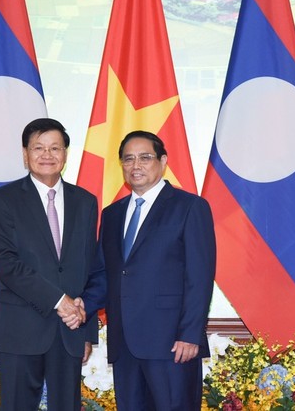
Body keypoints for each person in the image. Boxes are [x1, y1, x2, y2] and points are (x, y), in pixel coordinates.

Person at [81, 130, 216, 411]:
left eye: (145, 157)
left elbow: (200, 277)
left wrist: (190, 334)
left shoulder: (190, 207)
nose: (136, 165)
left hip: (172, 344)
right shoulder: (112, 214)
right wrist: (80, 308)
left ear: (163, 161)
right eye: (128, 159)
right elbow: (105, 275)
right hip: (124, 346)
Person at [0, 118, 98, 410]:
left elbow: (90, 267)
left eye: (54, 148)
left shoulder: (85, 201)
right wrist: (60, 301)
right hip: (20, 328)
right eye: (38, 148)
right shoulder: (4, 200)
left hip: (70, 330)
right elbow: (7, 263)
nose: (47, 155)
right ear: (25, 154)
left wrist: (85, 329)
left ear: (65, 154)